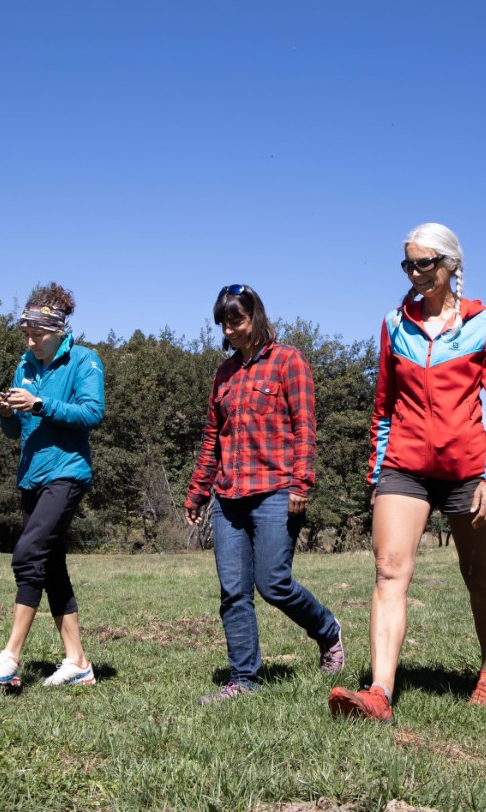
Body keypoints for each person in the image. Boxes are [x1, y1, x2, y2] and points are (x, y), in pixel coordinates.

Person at [328, 223, 486, 721]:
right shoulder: (394, 324)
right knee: (389, 572)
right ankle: (379, 694)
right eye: (408, 265)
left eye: (424, 264)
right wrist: (377, 474)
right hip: (404, 467)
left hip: (467, 471)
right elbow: (384, 406)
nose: (414, 273)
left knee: (477, 574)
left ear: (451, 265)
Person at [184, 284, 343, 704]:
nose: (230, 329)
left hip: (276, 489)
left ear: (255, 316)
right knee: (234, 591)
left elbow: (304, 426)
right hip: (230, 497)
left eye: (236, 319)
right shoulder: (224, 373)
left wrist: (301, 483)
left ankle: (327, 630)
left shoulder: (288, 361)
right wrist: (198, 492)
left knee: (273, 583)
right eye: (223, 322)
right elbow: (211, 438)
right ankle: (245, 680)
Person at [0, 283, 105, 688]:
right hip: (31, 475)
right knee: (50, 568)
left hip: (66, 472)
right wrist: (6, 414)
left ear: (59, 332)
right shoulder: (25, 365)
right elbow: (15, 432)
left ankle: (10, 656)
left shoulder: (84, 360)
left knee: (28, 555)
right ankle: (78, 662)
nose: (31, 342)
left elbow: (92, 413)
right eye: (26, 335)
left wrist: (41, 404)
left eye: (38, 335)